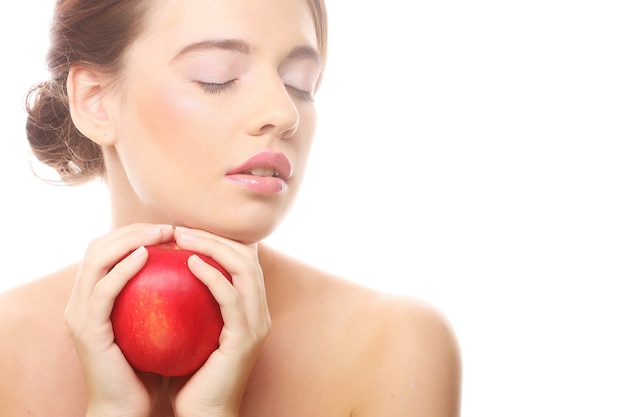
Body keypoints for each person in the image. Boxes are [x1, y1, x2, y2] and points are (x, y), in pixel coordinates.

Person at [0, 0, 462, 415]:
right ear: (95, 102)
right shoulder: (8, 350)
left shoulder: (393, 347)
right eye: (217, 77)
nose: (284, 113)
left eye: (299, 84)